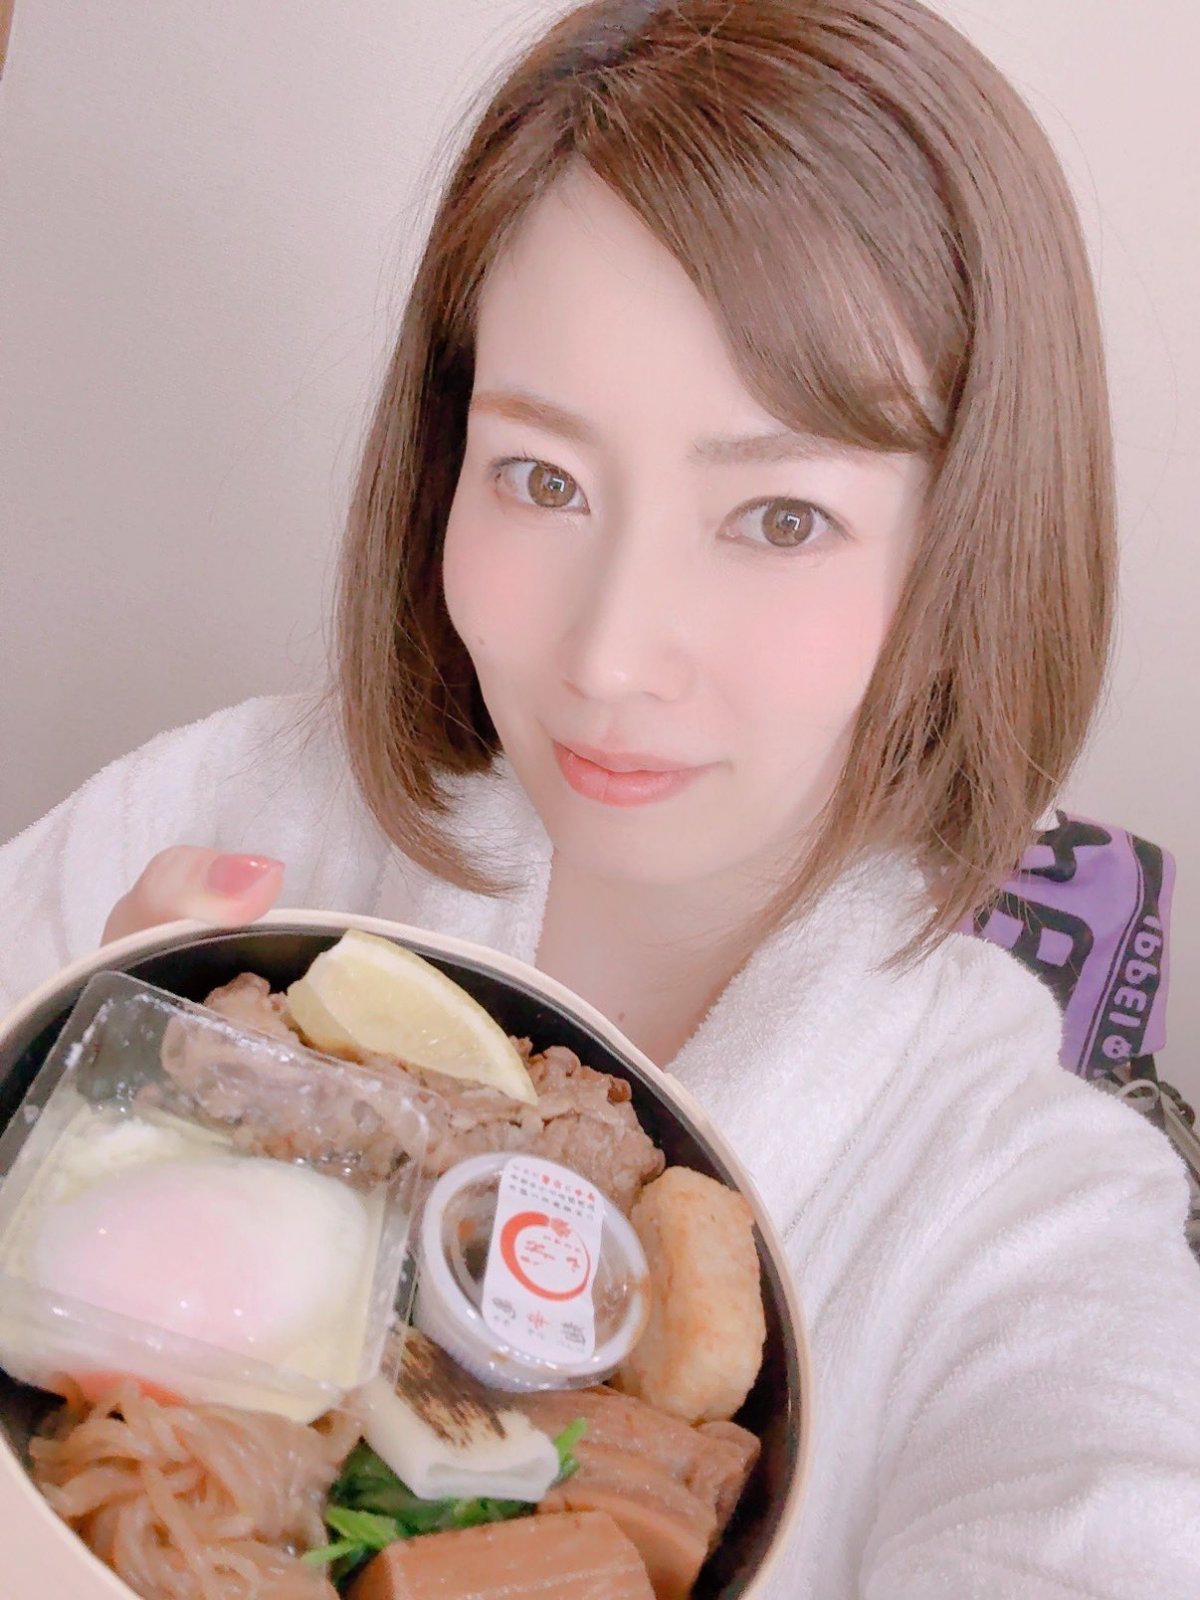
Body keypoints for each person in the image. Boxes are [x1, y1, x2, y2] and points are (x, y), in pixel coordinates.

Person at [2, 1, 1199, 1594]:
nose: (612, 655)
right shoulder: (222, 817)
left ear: (969, 548)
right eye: (544, 478)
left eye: (780, 517)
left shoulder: (1025, 1210)